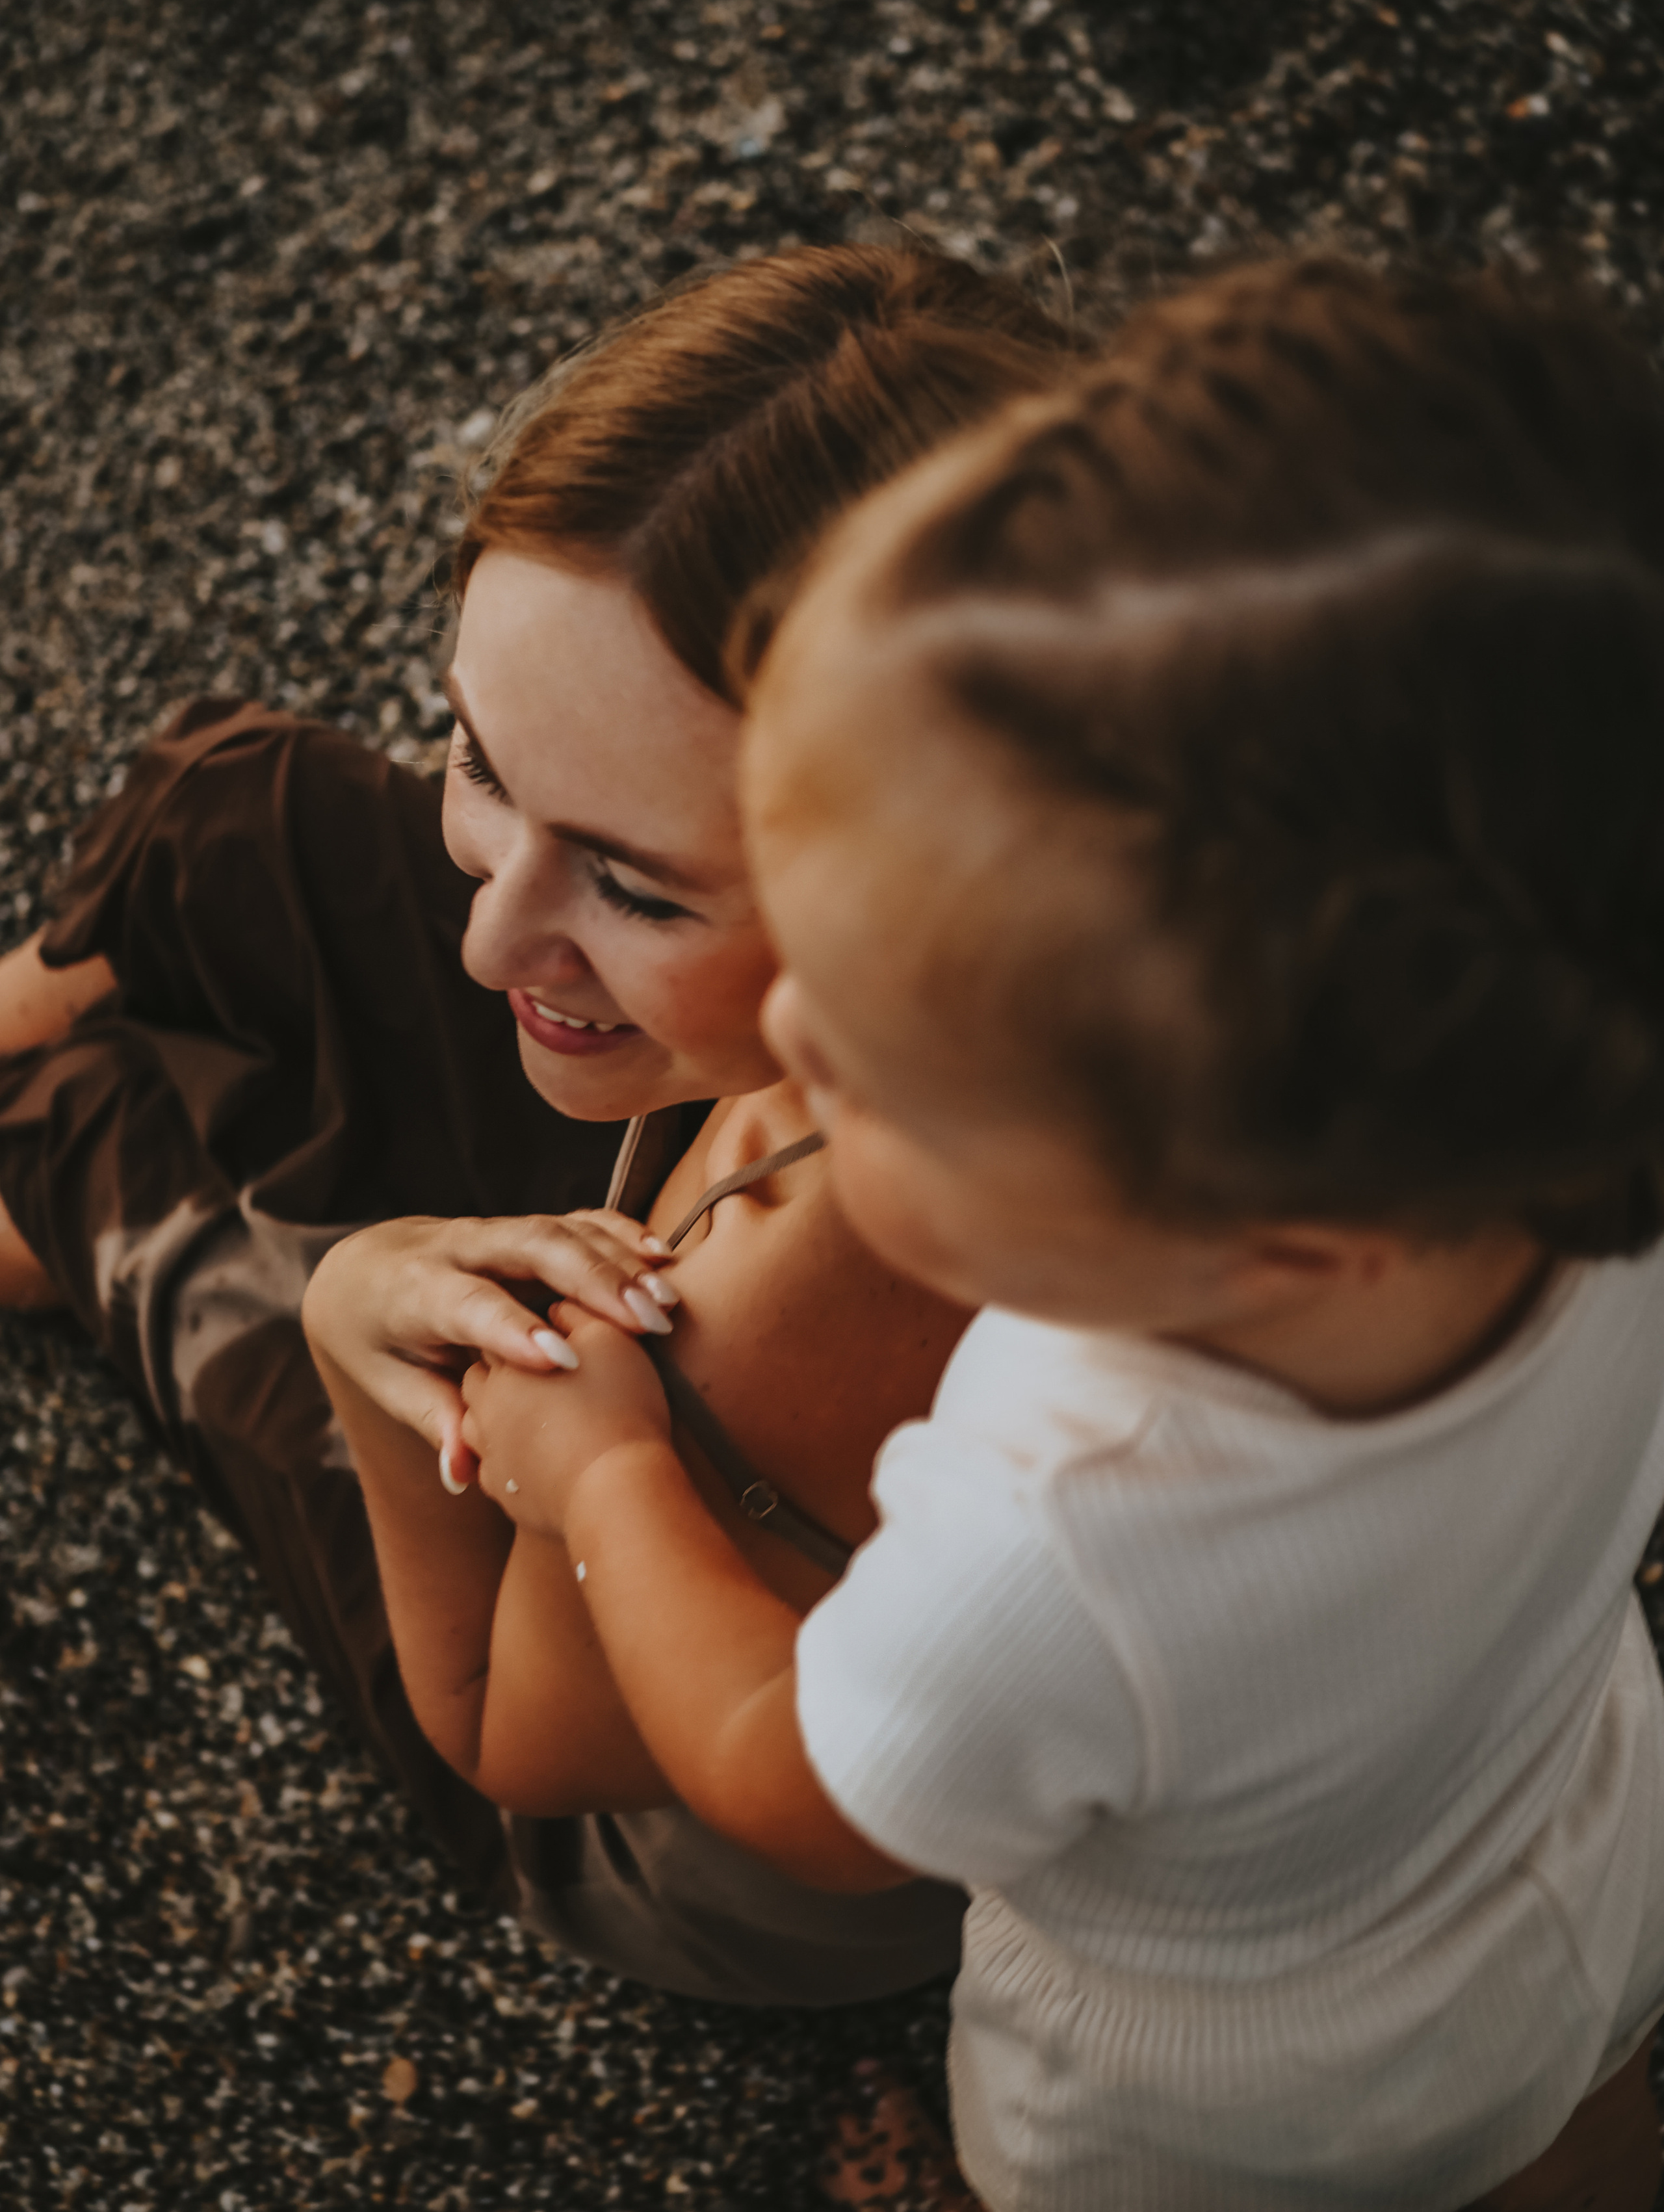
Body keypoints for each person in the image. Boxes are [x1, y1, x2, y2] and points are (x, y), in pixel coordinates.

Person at [455, 257, 1664, 2209]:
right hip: (1576, 1848)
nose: (800, 1050)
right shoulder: (1572, 1122)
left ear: (1252, 1226)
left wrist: (601, 1478)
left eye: (893, 1075)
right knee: (1577, 2131)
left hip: (1218, 2114)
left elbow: (787, 1779)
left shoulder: (1067, 1513)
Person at [0, 244, 1081, 2005]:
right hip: (679, 1210)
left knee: (77, 1119)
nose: (498, 931)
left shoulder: (789, 1296)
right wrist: (618, 915)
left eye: (641, 885)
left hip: (617, 1800)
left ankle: (66, 1191)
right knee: (235, 802)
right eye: (484, 761)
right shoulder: (1131, 865)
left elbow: (501, 1728)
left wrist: (361, 1315)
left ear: (921, 899)